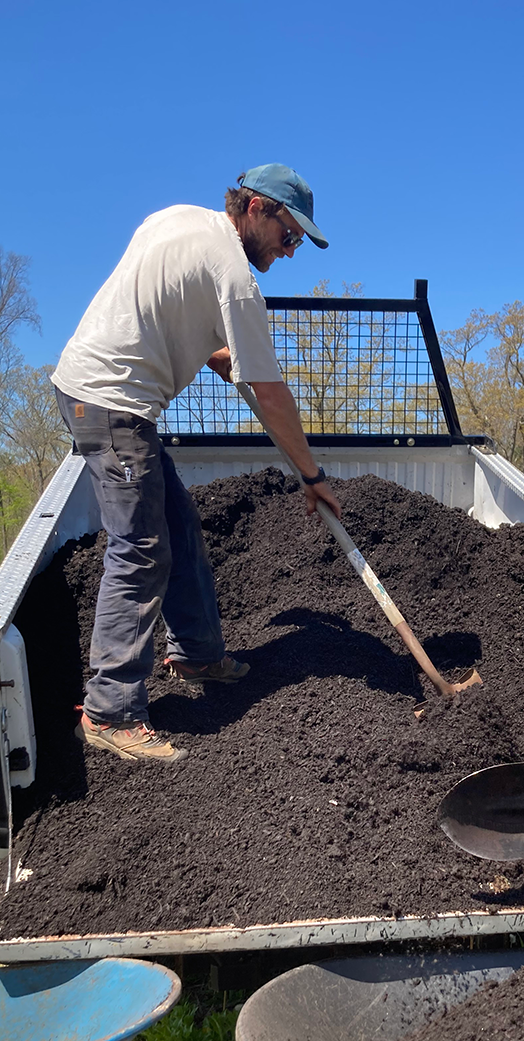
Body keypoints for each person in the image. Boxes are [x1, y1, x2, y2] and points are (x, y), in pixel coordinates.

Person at [50, 163, 342, 764]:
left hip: (100, 392)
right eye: (289, 236)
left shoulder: (178, 218)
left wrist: (214, 356)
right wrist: (312, 476)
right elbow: (269, 393)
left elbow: (155, 305)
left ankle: (198, 653)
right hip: (111, 402)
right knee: (141, 548)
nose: (290, 253)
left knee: (178, 528)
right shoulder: (237, 279)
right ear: (258, 208)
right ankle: (110, 712)